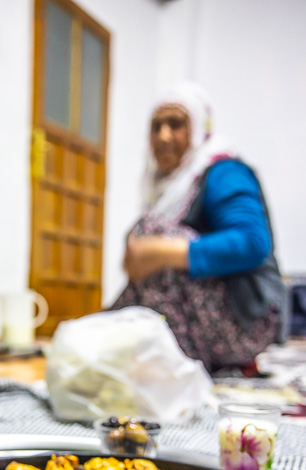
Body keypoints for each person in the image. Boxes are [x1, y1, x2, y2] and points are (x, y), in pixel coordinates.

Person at [109, 82, 285, 372]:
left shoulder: (223, 171)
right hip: (214, 324)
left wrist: (162, 250)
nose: (164, 136)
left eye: (176, 124)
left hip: (246, 319)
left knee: (151, 232)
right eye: (156, 126)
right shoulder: (164, 188)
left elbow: (253, 242)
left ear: (199, 128)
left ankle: (170, 359)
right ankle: (112, 337)